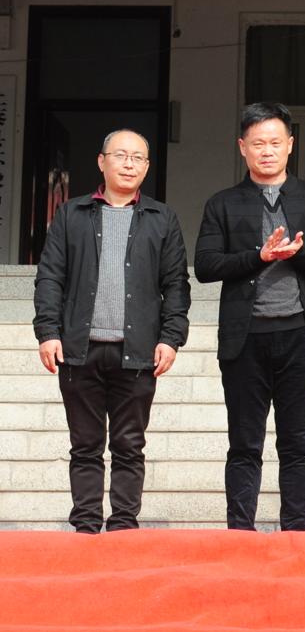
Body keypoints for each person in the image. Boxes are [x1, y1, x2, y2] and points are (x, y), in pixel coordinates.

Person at [195, 102, 305, 531]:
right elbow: (205, 266)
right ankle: (240, 534)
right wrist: (258, 257)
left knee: (298, 445)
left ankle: (296, 534)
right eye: (258, 143)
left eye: (275, 143)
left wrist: (300, 255)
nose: (267, 151)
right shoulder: (223, 203)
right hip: (246, 338)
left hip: (301, 334)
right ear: (242, 147)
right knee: (244, 445)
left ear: (290, 146)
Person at [33, 129, 190, 532]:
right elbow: (50, 277)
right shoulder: (72, 215)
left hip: (136, 351)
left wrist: (171, 338)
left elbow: (176, 285)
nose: (129, 163)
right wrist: (48, 331)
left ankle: (123, 526)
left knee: (129, 446)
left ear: (147, 167)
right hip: (78, 349)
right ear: (102, 162)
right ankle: (85, 525)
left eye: (138, 157)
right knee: (85, 445)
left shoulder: (161, 218)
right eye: (120, 155)